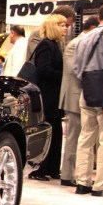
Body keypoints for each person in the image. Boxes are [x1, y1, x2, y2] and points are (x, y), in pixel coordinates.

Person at [58, 16, 99, 187]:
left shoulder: (82, 42)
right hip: (75, 95)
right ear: (92, 28)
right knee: (74, 137)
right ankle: (68, 175)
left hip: (83, 94)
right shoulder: (76, 43)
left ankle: (76, 173)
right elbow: (77, 71)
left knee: (81, 137)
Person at [73, 4, 103, 197]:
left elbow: (77, 69)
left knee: (85, 137)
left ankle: (82, 182)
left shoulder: (83, 39)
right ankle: (101, 184)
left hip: (86, 92)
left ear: (98, 16)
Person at [28, 14, 68, 181]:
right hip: (46, 96)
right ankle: (40, 169)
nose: (66, 28)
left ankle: (52, 168)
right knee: (48, 132)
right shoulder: (46, 45)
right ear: (53, 27)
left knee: (57, 131)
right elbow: (44, 69)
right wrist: (64, 76)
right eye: (62, 25)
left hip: (53, 96)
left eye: (66, 25)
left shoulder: (54, 45)